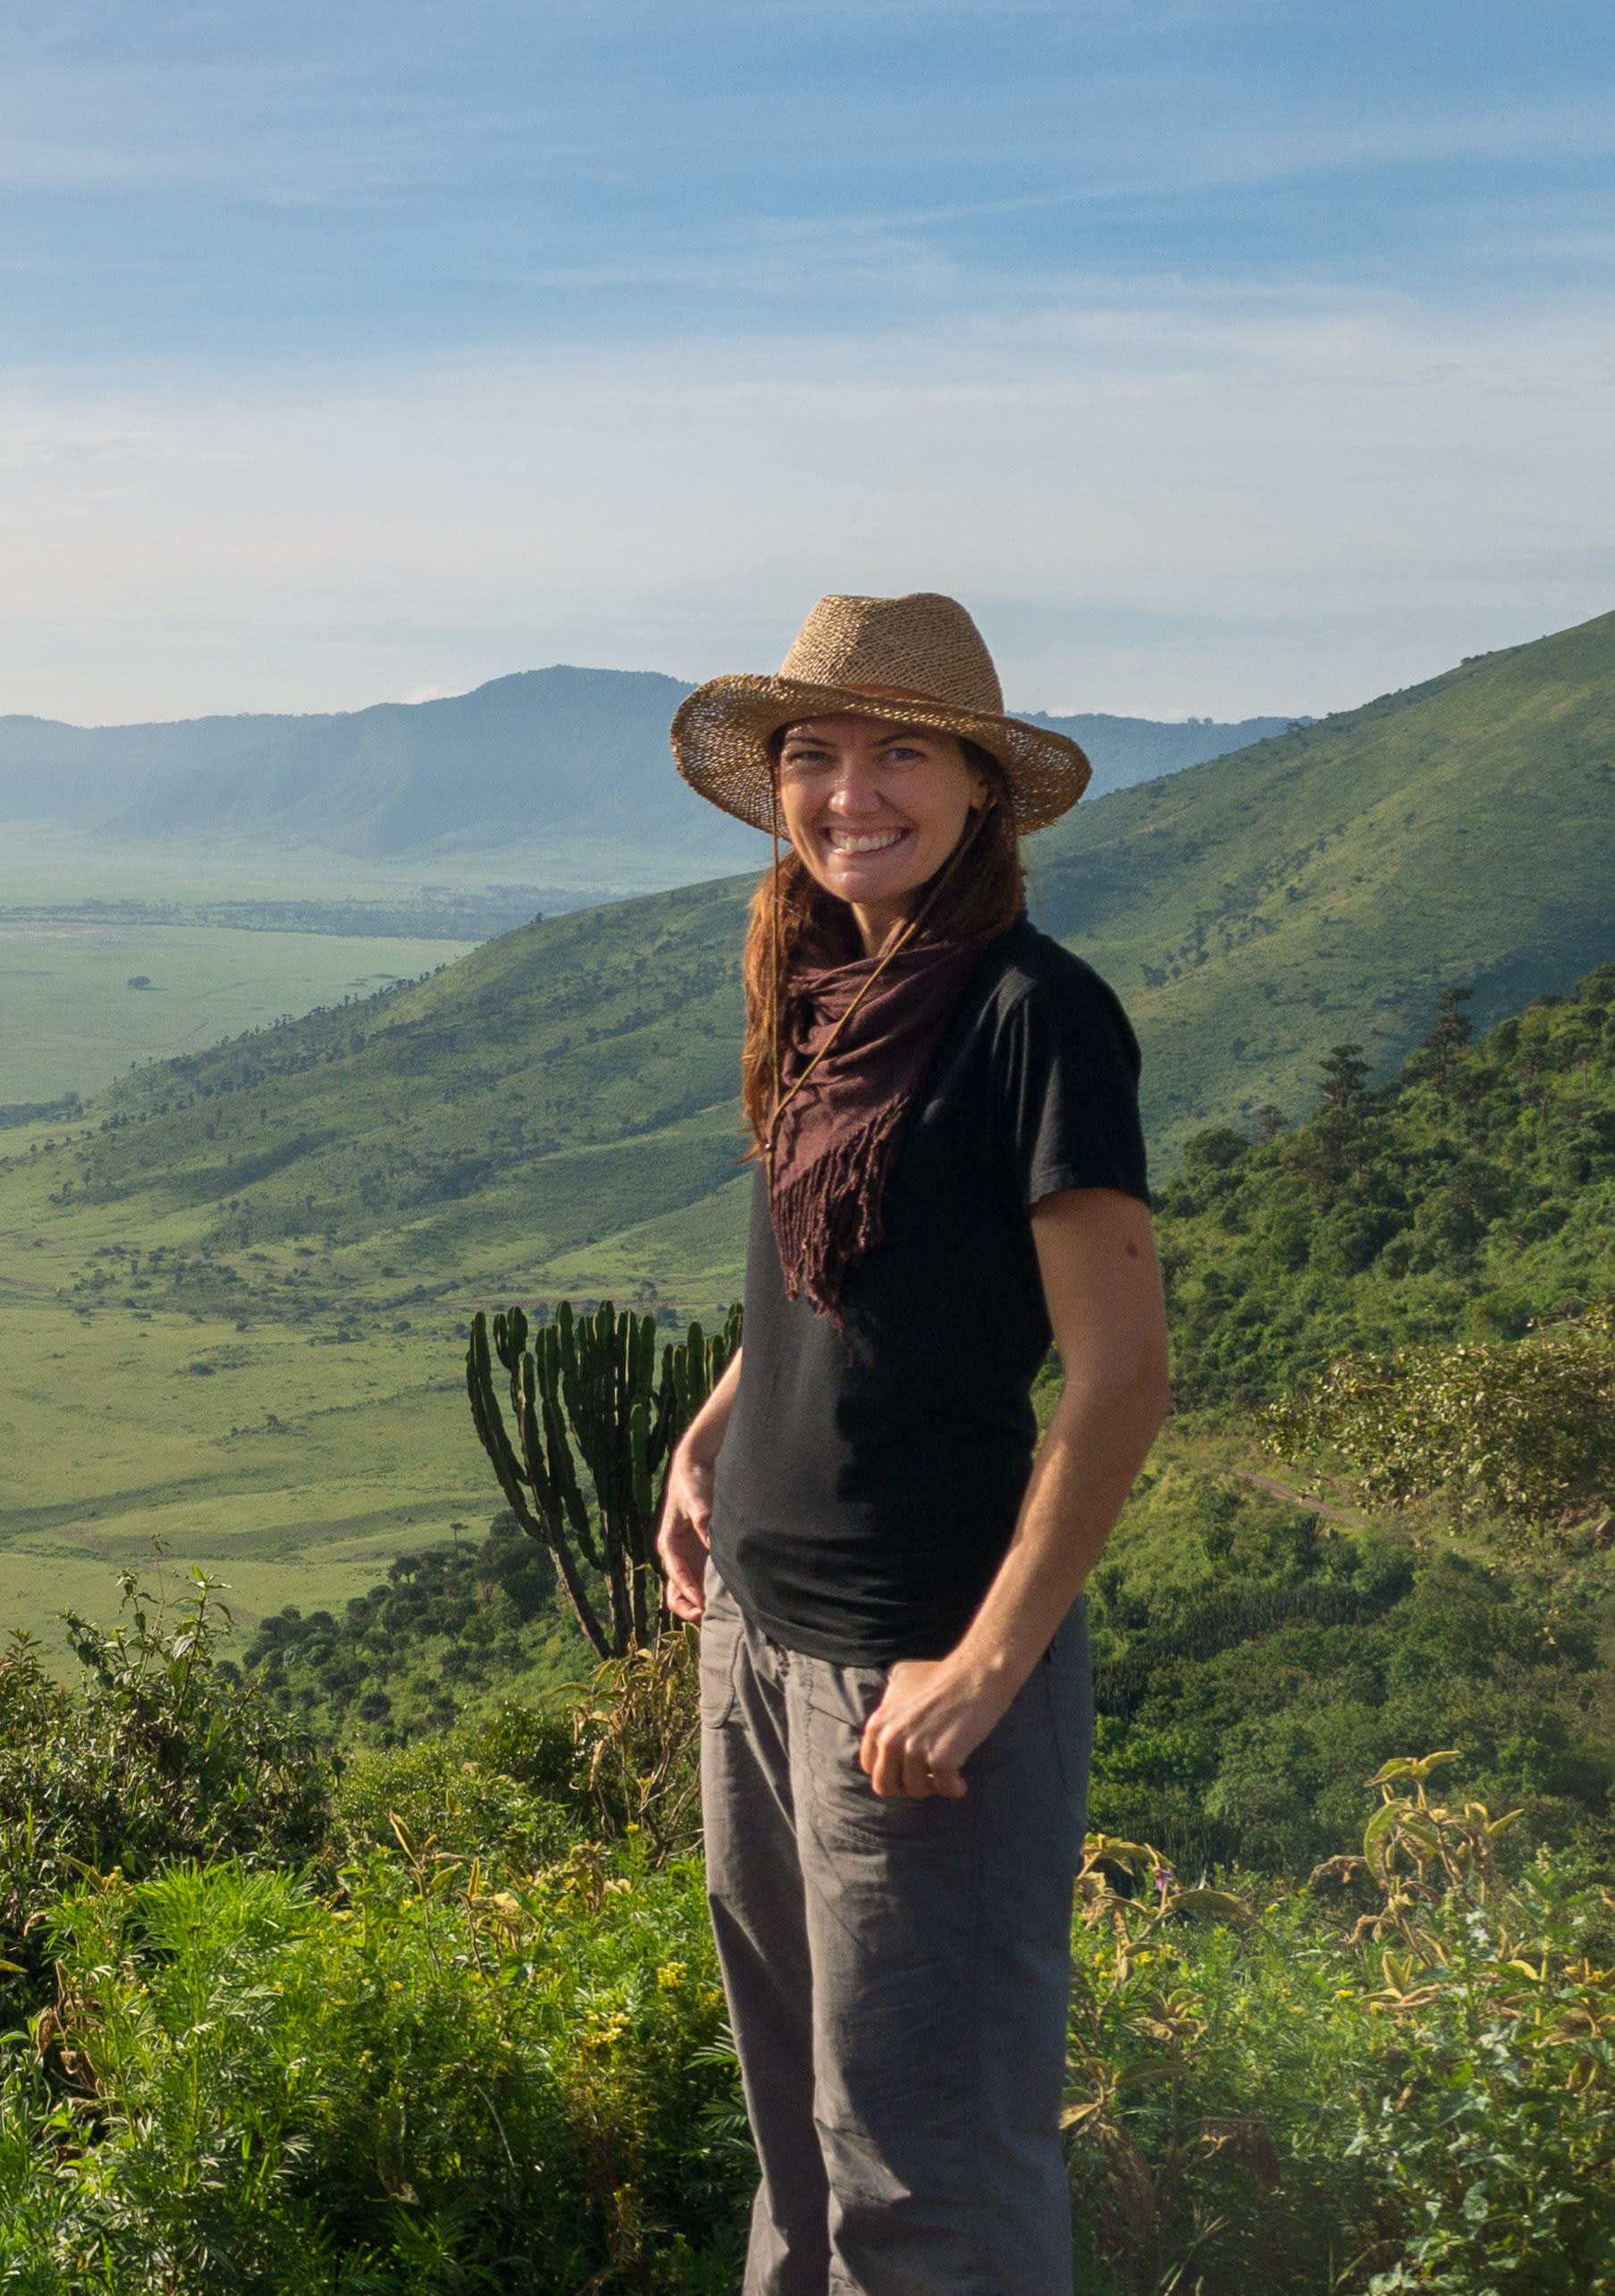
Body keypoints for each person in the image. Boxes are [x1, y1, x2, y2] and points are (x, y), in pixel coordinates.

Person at [652, 593, 1171, 2293]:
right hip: (756, 1637)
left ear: (976, 791)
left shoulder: (1036, 1013)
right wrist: (718, 1433)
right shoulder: (827, 988)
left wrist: (984, 1663)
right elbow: (835, 1288)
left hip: (913, 1663)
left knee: (927, 2171)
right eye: (815, 754)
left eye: (900, 753)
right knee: (804, 2151)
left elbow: (1120, 1379)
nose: (849, 792)